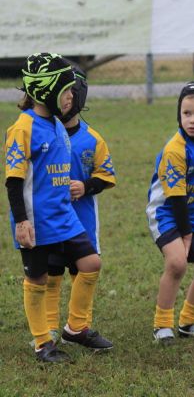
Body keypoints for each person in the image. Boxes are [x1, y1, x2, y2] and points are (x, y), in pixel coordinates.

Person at [4, 53, 113, 363]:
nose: (71, 97)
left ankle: (76, 328)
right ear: (47, 90)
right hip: (37, 222)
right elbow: (13, 181)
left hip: (65, 217)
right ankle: (42, 343)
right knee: (38, 280)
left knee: (91, 263)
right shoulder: (23, 128)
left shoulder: (57, 124)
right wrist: (22, 222)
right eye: (66, 90)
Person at [33, 63, 116, 345]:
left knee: (84, 269)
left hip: (82, 221)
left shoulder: (93, 139)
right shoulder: (44, 133)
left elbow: (106, 176)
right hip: (50, 220)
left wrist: (86, 186)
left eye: (69, 92)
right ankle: (49, 328)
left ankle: (78, 325)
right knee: (52, 273)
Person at [146, 81, 194, 343]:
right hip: (167, 211)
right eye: (186, 113)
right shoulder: (175, 150)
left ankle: (189, 321)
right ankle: (162, 325)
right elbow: (176, 197)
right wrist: (186, 235)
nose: (192, 120)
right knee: (177, 263)